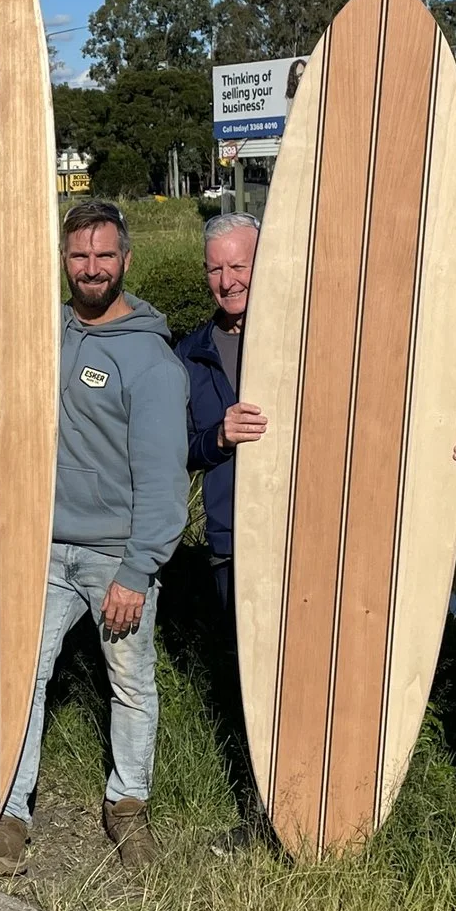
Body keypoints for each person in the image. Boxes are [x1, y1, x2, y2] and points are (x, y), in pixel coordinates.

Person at [0, 198, 187, 877]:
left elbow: (164, 485)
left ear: (126, 260)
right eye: (80, 255)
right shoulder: (48, 332)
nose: (92, 267)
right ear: (64, 259)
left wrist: (137, 569)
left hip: (116, 555)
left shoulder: (153, 364)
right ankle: (9, 818)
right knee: (23, 676)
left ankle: (127, 806)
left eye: (105, 255)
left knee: (131, 684)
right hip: (41, 546)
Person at [175, 213, 268, 617]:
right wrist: (218, 438)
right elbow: (179, 450)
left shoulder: (306, 339)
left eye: (238, 266)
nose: (226, 281)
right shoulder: (190, 355)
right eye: (215, 269)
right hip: (229, 541)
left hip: (302, 533)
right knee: (238, 669)